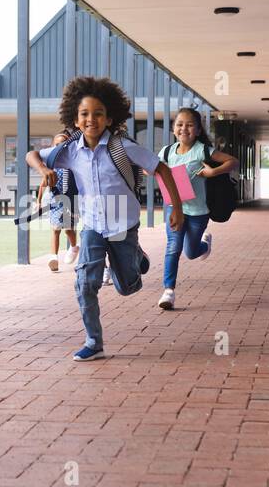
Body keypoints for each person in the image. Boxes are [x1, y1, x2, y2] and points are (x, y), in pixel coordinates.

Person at [28, 76, 183, 361]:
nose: (91, 119)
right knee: (85, 283)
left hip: (123, 226)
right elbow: (32, 154)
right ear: (75, 120)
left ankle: (135, 257)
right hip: (93, 227)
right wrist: (42, 170)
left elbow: (162, 169)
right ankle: (94, 342)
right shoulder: (70, 151)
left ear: (109, 118)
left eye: (98, 113)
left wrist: (177, 209)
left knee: (127, 287)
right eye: (84, 114)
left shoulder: (122, 147)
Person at [157, 107, 238, 310]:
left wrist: (213, 172)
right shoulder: (166, 152)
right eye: (180, 124)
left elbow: (233, 161)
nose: (184, 128)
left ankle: (204, 245)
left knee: (191, 253)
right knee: (173, 247)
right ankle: (169, 291)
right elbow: (155, 168)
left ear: (198, 130)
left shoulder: (202, 150)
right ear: (174, 128)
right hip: (174, 209)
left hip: (198, 213)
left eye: (190, 125)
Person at [34, 164, 78, 271]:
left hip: (70, 202)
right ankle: (54, 257)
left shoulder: (72, 167)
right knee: (55, 229)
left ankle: (73, 247)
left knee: (68, 230)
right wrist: (38, 201)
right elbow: (43, 184)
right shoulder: (52, 169)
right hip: (55, 202)